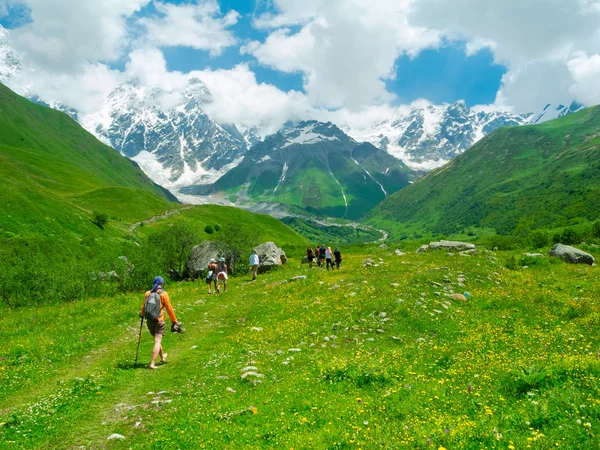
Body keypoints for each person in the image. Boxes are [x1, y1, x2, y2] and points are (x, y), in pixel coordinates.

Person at [139, 276, 180, 370]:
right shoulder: (164, 294)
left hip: (150, 321)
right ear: (162, 284)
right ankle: (152, 363)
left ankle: (162, 357)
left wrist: (141, 314)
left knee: (156, 340)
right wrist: (174, 320)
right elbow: (169, 309)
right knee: (157, 341)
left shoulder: (148, 293)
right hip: (159, 320)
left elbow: (143, 306)